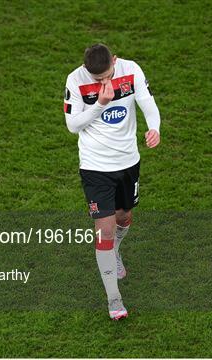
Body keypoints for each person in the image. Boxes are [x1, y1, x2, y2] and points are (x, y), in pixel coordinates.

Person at [63, 44, 161, 320]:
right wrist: (100, 104)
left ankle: (116, 251)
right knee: (104, 230)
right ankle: (114, 299)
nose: (104, 83)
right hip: (95, 167)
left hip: (128, 162)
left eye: (108, 76)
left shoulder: (131, 71)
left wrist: (154, 128)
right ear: (86, 71)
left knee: (124, 216)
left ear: (115, 61)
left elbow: (149, 105)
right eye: (98, 80)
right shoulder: (76, 80)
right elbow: (72, 124)